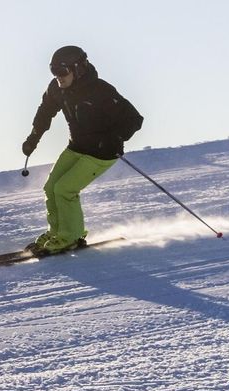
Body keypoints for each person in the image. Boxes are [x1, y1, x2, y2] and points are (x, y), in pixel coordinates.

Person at [21, 46, 143, 255]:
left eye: (62, 71)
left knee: (65, 189)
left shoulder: (101, 91)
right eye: (54, 71)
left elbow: (134, 119)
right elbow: (45, 113)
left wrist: (114, 139)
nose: (58, 77)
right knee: (51, 188)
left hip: (102, 152)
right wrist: (33, 138)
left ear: (78, 69)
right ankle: (57, 231)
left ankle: (71, 237)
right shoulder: (57, 89)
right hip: (77, 147)